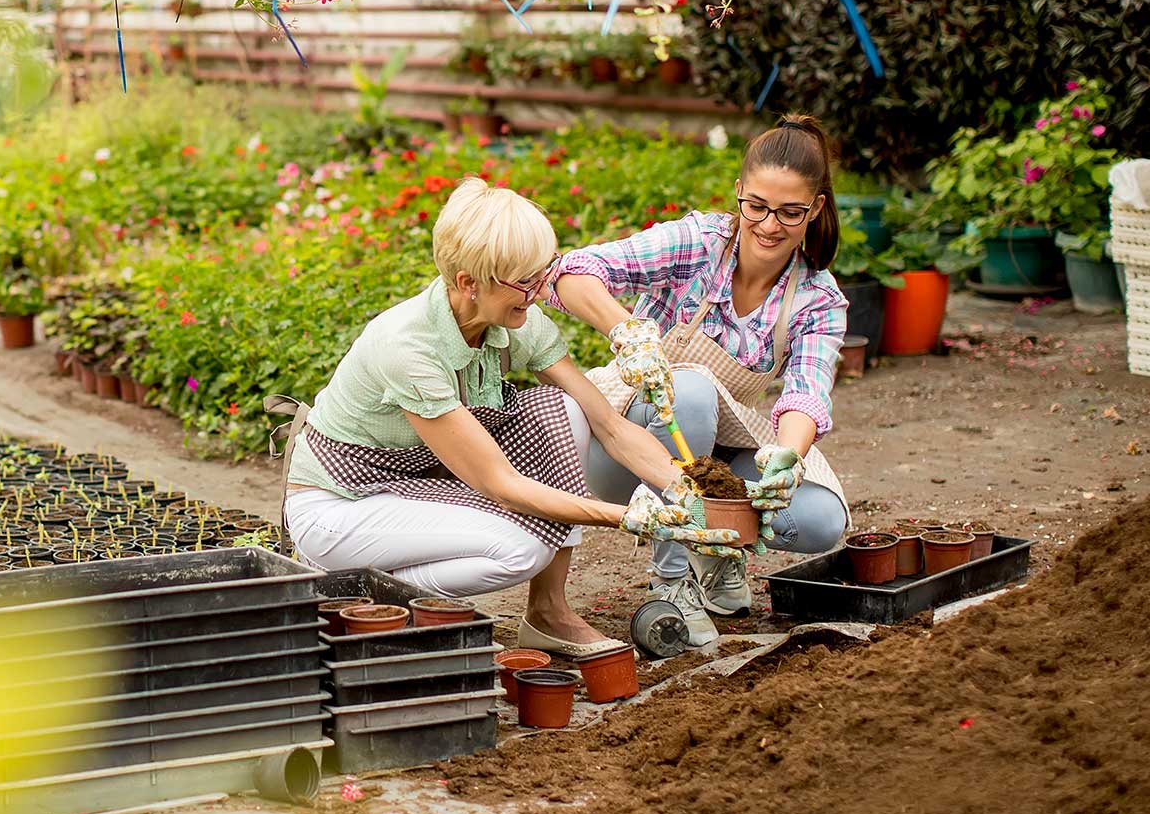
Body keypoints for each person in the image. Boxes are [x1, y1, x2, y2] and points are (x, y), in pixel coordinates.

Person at [273, 178, 739, 660]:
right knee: (519, 550)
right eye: (523, 281)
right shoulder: (407, 348)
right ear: (468, 283)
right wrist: (630, 518)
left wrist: (688, 493)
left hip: (416, 483)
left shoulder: (513, 319)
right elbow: (498, 482)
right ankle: (349, 593)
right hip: (341, 505)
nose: (538, 292)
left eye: (542, 274)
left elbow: (608, 424)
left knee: (568, 411)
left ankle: (548, 613)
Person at [547, 115, 852, 646]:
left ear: (816, 209)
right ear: (738, 194)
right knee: (690, 390)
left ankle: (714, 551)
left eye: (790, 212)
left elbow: (807, 390)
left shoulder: (817, 299)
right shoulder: (697, 244)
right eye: (756, 206)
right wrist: (626, 330)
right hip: (622, 446)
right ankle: (672, 585)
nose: (769, 225)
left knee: (821, 517)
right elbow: (570, 273)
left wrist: (787, 457)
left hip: (709, 446)